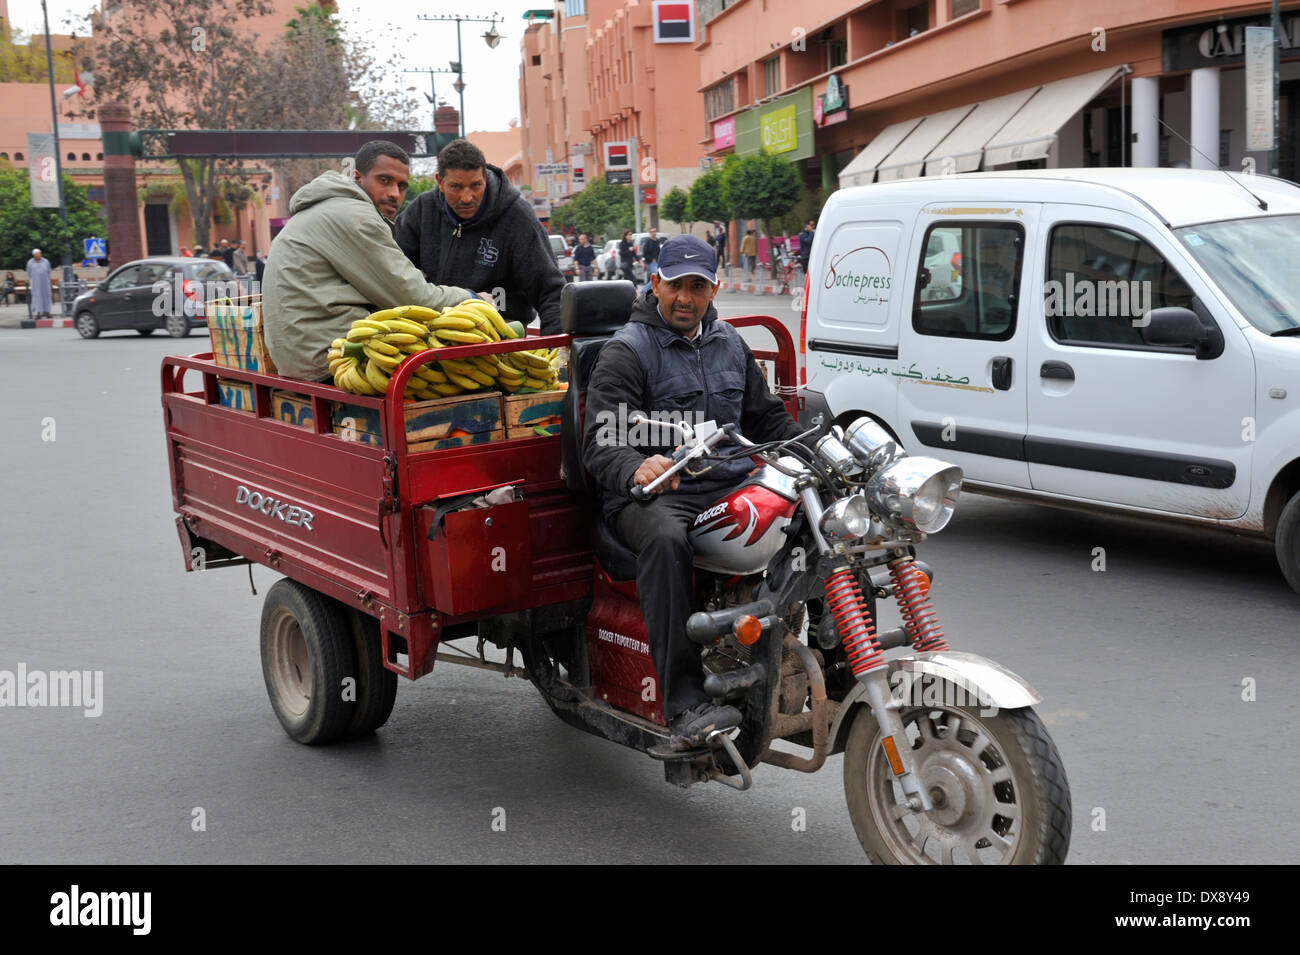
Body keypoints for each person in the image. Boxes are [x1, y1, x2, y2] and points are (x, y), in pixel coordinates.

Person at [581, 234, 806, 748]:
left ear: (713, 289)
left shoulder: (729, 342)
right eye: (675, 284)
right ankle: (684, 703)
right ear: (655, 283)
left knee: (821, 515)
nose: (685, 296)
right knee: (665, 542)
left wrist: (822, 449)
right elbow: (602, 442)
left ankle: (834, 657)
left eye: (697, 286)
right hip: (656, 495)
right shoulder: (627, 351)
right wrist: (637, 467)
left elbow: (766, 417)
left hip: (727, 479)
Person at [263, 140, 477, 382]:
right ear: (358, 177)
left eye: (402, 186)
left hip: (304, 357)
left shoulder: (325, 210)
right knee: (468, 373)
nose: (395, 194)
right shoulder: (356, 218)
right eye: (384, 180)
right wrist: (471, 298)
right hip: (334, 360)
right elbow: (413, 297)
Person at [395, 138, 566, 333]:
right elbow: (395, 274)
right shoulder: (421, 211)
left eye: (475, 185)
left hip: (501, 337)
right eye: (456, 187)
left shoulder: (517, 217)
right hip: (432, 334)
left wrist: (556, 353)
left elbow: (551, 293)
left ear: (484, 176)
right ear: (440, 182)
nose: (467, 197)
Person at [26, 249, 53, 319]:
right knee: (37, 298)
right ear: (34, 255)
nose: (39, 255)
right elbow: (29, 273)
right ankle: (38, 313)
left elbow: (49, 271)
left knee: (46, 297)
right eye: (37, 254)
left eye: (39, 253)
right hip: (36, 283)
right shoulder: (30, 262)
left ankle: (48, 312)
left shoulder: (45, 261)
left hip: (45, 283)